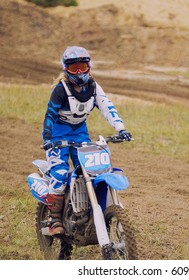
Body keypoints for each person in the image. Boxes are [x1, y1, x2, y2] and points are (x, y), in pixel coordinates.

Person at [42, 46, 132, 236]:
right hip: (58, 134)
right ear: (66, 69)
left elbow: (108, 106)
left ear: (89, 66)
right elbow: (50, 115)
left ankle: (87, 212)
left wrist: (121, 128)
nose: (79, 72)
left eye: (82, 66)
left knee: (89, 172)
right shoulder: (61, 89)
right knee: (59, 174)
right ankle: (54, 220)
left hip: (80, 132)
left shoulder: (93, 87)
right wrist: (48, 139)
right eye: (74, 68)